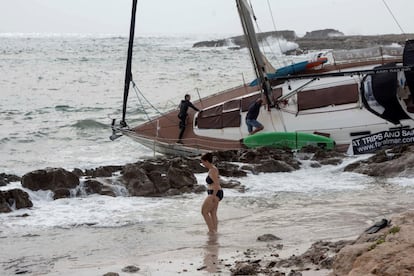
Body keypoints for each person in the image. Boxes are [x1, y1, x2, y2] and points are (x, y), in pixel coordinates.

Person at [200, 152, 223, 234]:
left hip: (214, 192)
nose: (202, 164)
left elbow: (216, 183)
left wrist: (213, 196)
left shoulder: (213, 170)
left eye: (202, 162)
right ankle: (215, 231)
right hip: (217, 192)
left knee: (204, 212)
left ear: (206, 161)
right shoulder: (213, 169)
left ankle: (211, 231)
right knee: (212, 213)